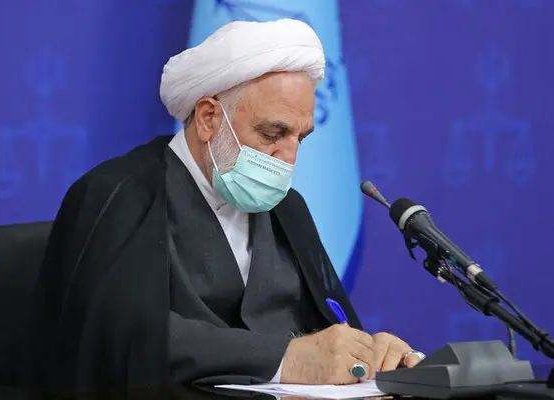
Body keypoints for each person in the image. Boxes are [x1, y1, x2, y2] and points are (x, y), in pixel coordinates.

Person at [24, 18, 424, 394]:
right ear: (208, 118)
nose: (289, 159)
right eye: (273, 133)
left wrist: (368, 352)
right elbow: (117, 338)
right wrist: (283, 359)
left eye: (299, 138)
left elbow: (326, 326)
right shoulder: (117, 194)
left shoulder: (289, 209)